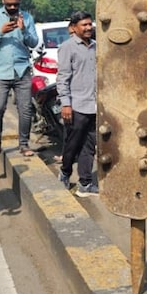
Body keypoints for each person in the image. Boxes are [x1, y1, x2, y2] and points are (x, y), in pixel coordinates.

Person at [0, 0, 39, 162]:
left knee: (26, 110)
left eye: (15, 4)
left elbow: (34, 42)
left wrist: (23, 30)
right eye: (9, 4)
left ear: (20, 1)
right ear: (3, 1)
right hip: (0, 71)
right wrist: (0, 32)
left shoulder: (27, 17)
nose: (13, 7)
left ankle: (24, 144)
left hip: (21, 70)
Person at [56, 12, 99, 197]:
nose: (89, 28)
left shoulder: (96, 47)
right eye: (84, 25)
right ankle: (65, 172)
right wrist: (66, 103)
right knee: (72, 144)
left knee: (89, 146)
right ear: (74, 27)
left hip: (94, 105)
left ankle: (85, 183)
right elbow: (62, 78)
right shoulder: (68, 47)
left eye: (90, 24)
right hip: (76, 105)